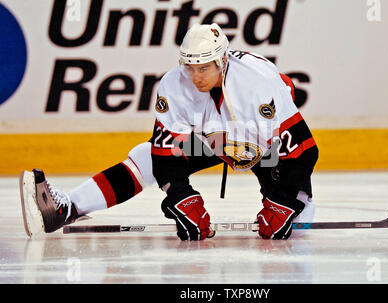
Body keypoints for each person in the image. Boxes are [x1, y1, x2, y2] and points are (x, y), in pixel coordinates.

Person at [20, 23, 318, 241]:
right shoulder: (173, 85)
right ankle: (68, 208)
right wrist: (179, 194)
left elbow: (303, 151)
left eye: (204, 68)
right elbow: (165, 153)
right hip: (213, 141)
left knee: (299, 220)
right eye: (190, 67)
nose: (195, 76)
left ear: (223, 61)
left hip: (265, 146)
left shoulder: (259, 84)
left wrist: (285, 201)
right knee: (145, 156)